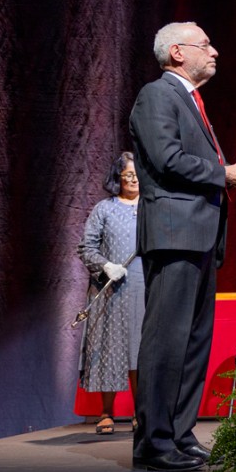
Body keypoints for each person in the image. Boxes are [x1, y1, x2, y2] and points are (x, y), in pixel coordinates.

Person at [129, 21, 236, 472]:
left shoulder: (189, 100)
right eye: (206, 44)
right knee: (166, 341)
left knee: (192, 343)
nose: (215, 51)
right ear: (178, 52)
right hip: (174, 235)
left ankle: (180, 435)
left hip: (199, 235)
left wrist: (227, 171)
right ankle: (153, 443)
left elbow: (190, 161)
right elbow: (166, 159)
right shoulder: (157, 95)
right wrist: (225, 174)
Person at [77, 151, 145, 435]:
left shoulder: (152, 207)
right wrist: (106, 266)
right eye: (127, 174)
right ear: (118, 178)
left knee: (140, 350)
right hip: (112, 289)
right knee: (110, 348)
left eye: (137, 174)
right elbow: (86, 248)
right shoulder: (103, 209)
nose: (133, 179)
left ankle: (141, 413)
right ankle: (106, 412)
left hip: (146, 288)